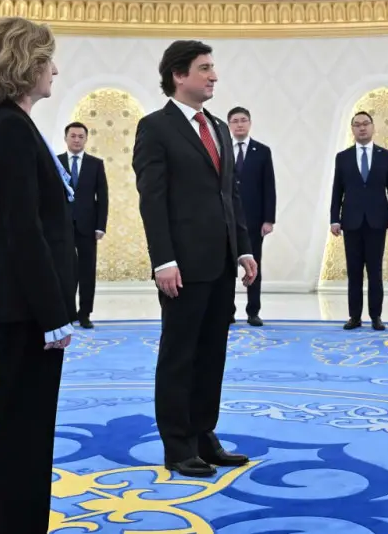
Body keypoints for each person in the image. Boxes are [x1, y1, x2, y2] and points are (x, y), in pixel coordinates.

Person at [0, 17, 77, 531]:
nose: (55, 69)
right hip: (27, 306)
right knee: (22, 429)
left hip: (25, 302)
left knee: (25, 426)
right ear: (24, 63)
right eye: (47, 59)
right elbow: (23, 230)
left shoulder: (9, 121)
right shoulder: (7, 126)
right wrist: (54, 315)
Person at [132, 40, 258, 478]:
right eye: (204, 68)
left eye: (212, 68)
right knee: (180, 355)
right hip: (182, 266)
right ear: (178, 75)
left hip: (221, 263)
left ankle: (205, 435)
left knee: (212, 354)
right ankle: (178, 444)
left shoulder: (219, 127)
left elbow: (230, 195)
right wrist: (163, 260)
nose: (213, 76)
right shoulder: (155, 127)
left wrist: (244, 248)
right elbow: (152, 200)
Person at [328, 111, 388, 331]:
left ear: (373, 127)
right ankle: (354, 317)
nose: (362, 128)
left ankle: (376, 316)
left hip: (377, 222)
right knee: (354, 272)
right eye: (357, 124)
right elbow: (337, 190)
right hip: (351, 222)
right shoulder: (343, 157)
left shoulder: (385, 156)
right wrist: (334, 219)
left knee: (375, 272)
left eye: (365, 124)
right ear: (352, 129)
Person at [227, 106, 276, 326]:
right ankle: (227, 311)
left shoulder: (262, 151)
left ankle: (253, 311)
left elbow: (269, 187)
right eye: (235, 121)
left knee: (254, 265)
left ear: (249, 123)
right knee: (227, 268)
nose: (239, 124)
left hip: (254, 221)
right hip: (227, 220)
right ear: (229, 125)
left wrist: (268, 219)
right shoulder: (222, 150)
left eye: (243, 120)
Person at [58, 121, 109, 329]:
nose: (77, 140)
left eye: (81, 136)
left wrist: (100, 226)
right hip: (62, 226)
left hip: (88, 227)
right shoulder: (56, 162)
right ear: (66, 138)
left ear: (86, 139)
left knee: (87, 271)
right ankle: (67, 311)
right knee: (65, 270)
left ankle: (85, 313)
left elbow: (102, 197)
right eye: (73, 136)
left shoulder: (95, 164)